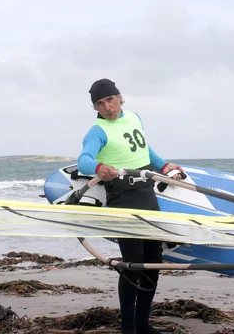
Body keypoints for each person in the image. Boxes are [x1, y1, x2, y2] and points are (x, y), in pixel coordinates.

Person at [77, 78, 184, 334]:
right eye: (100, 104)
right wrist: (100, 168)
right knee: (132, 266)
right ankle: (128, 328)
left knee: (152, 263)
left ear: (120, 97)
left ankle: (142, 324)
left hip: (146, 195)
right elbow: (83, 161)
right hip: (123, 200)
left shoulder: (134, 117)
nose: (108, 107)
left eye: (110, 100)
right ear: (96, 108)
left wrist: (165, 166)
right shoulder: (98, 131)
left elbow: (145, 150)